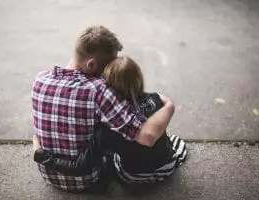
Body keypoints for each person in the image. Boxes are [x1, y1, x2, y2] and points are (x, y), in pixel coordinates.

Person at [32, 25, 175, 192]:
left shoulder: (40, 79)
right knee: (114, 133)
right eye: (107, 66)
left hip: (48, 174)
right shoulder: (99, 90)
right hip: (88, 181)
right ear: (91, 64)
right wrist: (169, 107)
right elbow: (147, 136)